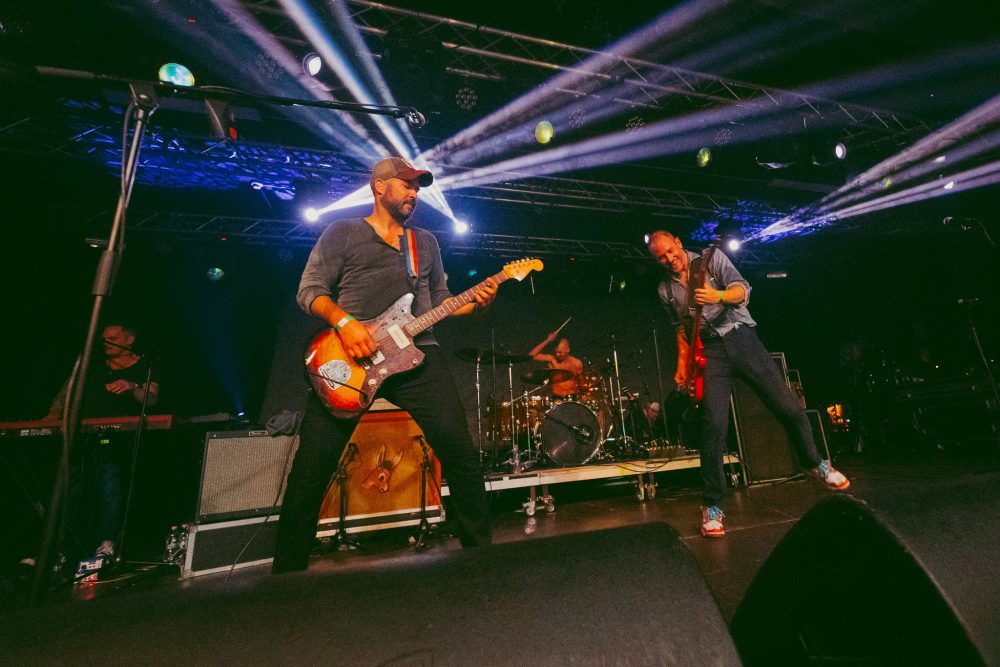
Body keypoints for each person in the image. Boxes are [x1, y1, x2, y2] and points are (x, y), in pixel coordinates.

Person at [272, 157, 497, 573]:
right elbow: (310, 291)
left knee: (461, 453)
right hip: (352, 358)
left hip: (418, 354)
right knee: (311, 468)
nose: (414, 193)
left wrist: (476, 305)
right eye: (406, 185)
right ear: (379, 187)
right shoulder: (343, 232)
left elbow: (440, 299)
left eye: (417, 188)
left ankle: (481, 558)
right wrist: (345, 324)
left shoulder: (425, 242)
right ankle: (286, 572)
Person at [646, 230, 849, 538]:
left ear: (677, 242)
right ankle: (712, 507)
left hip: (741, 337)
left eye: (670, 251)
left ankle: (815, 463)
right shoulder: (666, 290)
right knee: (713, 426)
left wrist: (717, 296)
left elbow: (742, 290)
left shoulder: (710, 260)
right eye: (661, 258)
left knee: (788, 406)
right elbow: (681, 330)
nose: (669, 259)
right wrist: (682, 366)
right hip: (711, 352)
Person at [44, 320, 159, 565]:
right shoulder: (93, 365)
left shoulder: (144, 367)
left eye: (113, 338)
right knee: (72, 491)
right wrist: (52, 417)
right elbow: (66, 392)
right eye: (104, 339)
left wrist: (132, 387)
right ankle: (63, 548)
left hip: (116, 441)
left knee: (109, 487)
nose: (106, 343)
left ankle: (106, 543)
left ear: (129, 340)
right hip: (82, 438)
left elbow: (150, 399)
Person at [528, 333, 584, 399]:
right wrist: (548, 340)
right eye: (556, 352)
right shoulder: (552, 359)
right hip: (557, 396)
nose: (557, 355)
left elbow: (581, 380)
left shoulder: (577, 363)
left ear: (568, 350)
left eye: (560, 352)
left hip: (572, 395)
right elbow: (531, 355)